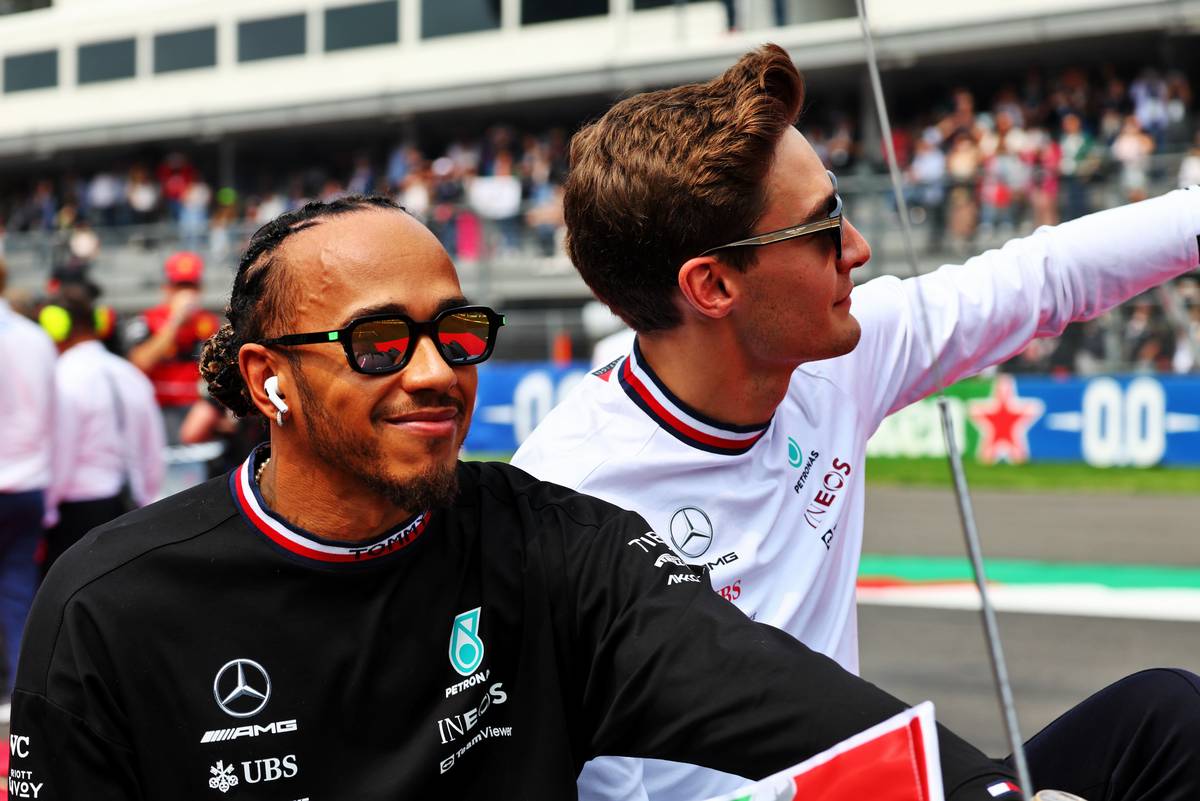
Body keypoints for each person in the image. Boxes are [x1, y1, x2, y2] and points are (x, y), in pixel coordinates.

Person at [11, 196, 1036, 800]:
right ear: (271, 379)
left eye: (455, 334)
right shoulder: (111, 602)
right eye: (379, 342)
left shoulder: (548, 540)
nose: (433, 371)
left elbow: (775, 697)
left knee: (1161, 720)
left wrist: (983, 788)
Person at [511, 45, 1200, 801]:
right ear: (712, 285)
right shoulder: (563, 508)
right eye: (822, 227)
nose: (859, 251)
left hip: (878, 783)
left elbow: (1041, 277)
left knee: (1167, 715)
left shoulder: (836, 356)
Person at [38, 283, 167, 576]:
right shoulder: (130, 375)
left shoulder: (63, 377)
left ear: (56, 326)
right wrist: (147, 502)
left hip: (76, 511)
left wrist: (46, 511)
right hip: (131, 507)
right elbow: (154, 452)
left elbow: (61, 453)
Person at [0, 257, 56, 721]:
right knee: (18, 588)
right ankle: (19, 692)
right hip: (29, 484)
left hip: (23, 477)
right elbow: (53, 419)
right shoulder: (36, 339)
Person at [125, 250, 222, 442]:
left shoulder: (210, 324)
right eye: (179, 286)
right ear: (167, 288)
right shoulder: (147, 320)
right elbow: (140, 363)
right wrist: (175, 321)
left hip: (196, 412)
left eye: (191, 286)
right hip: (156, 410)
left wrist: (213, 409)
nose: (186, 293)